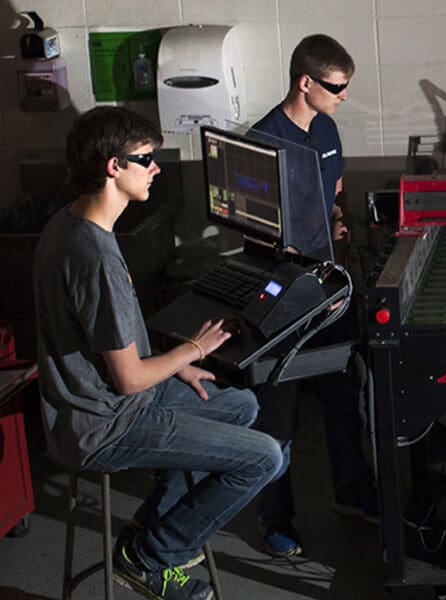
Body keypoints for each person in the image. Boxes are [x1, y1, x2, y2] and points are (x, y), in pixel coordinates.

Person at [33, 106, 283, 600]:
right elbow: (128, 378)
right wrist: (193, 347)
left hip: (106, 403)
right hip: (104, 423)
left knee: (242, 406)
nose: (156, 169)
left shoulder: (71, 223)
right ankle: (153, 555)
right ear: (113, 166)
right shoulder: (94, 255)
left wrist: (178, 366)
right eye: (146, 158)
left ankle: (144, 533)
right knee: (264, 459)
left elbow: (107, 343)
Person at [249, 34, 378, 558]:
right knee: (276, 415)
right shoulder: (263, 141)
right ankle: (274, 517)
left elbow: (337, 190)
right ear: (307, 82)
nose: (344, 96)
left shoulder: (326, 128)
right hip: (284, 293)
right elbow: (253, 232)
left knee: (343, 393)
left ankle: (352, 492)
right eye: (336, 87)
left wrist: (341, 227)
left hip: (330, 288)